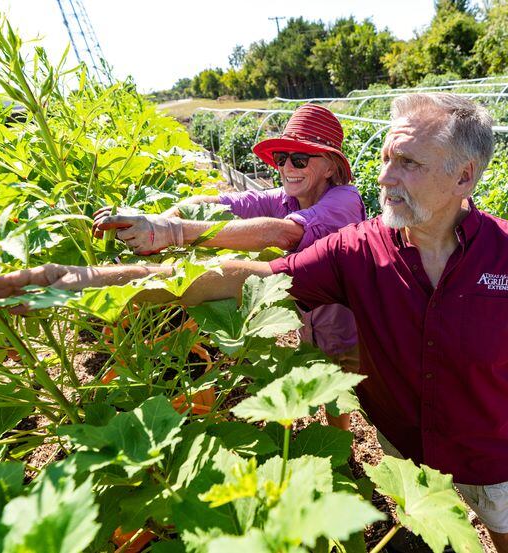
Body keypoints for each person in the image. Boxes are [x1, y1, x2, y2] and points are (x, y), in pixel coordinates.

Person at [0, 93, 508, 553]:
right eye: (387, 157)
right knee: (424, 524)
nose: (385, 176)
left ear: (464, 176)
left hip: (488, 445)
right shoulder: (359, 250)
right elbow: (246, 277)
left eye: (409, 163)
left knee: (506, 530)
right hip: (401, 439)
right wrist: (87, 282)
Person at [91, 104, 366, 429]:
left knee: (339, 387)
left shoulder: (344, 200)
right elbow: (224, 203)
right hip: (311, 320)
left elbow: (280, 232)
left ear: (331, 168)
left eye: (300, 159)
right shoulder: (286, 197)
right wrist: (167, 216)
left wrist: (175, 233)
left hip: (350, 325)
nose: (287, 167)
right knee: (316, 366)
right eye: (282, 159)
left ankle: (342, 447)